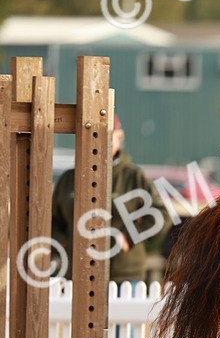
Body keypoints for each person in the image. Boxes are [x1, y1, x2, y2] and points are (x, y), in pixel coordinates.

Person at [52, 113, 171, 284]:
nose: (100, 142)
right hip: (77, 273)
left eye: (108, 137)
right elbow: (52, 218)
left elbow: (161, 214)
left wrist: (129, 237)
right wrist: (62, 241)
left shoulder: (133, 176)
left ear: (118, 138)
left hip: (124, 276)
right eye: (94, 136)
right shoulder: (69, 179)